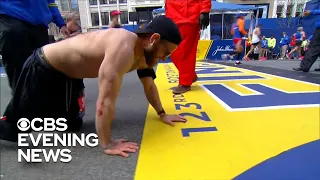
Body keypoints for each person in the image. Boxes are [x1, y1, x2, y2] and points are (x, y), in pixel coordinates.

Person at [0, 15, 187, 157]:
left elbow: (150, 87)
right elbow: (105, 102)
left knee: (72, 125)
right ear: (154, 38)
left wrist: (162, 113)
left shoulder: (145, 56)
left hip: (70, 76)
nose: (164, 58)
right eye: (166, 52)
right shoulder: (123, 48)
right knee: (15, 129)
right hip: (44, 65)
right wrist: (108, 144)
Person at [0, 0, 70, 91]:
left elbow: (51, 3)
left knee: (42, 69)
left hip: (39, 24)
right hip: (11, 17)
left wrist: (61, 23)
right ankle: (21, 100)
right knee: (19, 72)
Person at [165, 0, 211, 94]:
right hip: (173, 17)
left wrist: (205, 11)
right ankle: (189, 76)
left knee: (184, 52)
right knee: (173, 51)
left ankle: (185, 83)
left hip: (188, 16)